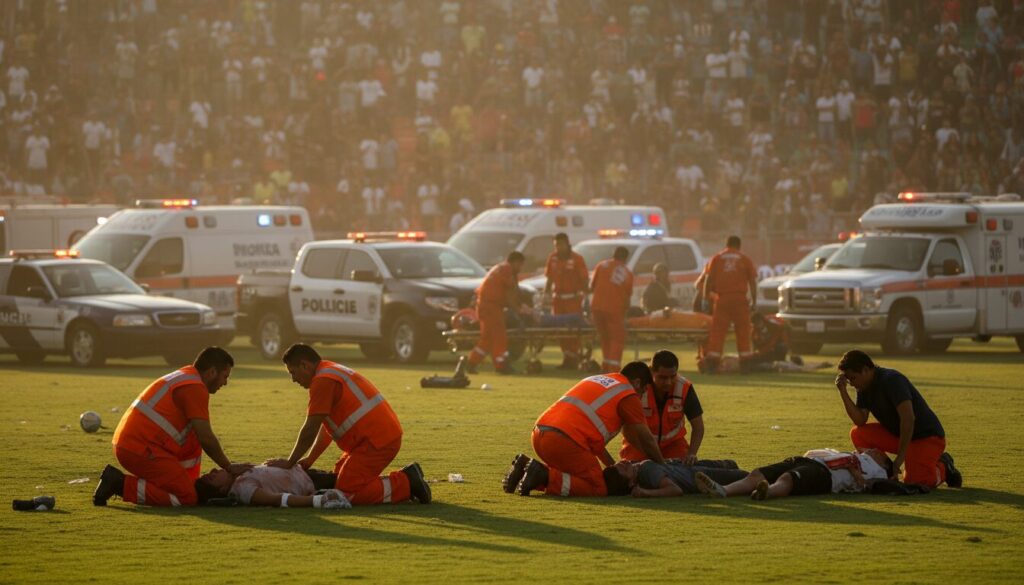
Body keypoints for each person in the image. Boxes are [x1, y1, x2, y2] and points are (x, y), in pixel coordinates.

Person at [265, 343, 432, 505]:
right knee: (339, 478)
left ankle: (407, 483)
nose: (293, 379)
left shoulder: (323, 381)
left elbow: (310, 428)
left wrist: (290, 462)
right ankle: (406, 479)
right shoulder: (328, 371)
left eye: (293, 373)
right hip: (374, 439)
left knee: (346, 492)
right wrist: (310, 459)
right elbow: (326, 427)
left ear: (304, 365)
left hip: (376, 442)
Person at [93, 347, 252, 507]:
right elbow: (206, 438)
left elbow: (196, 441)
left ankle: (120, 483)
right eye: (225, 376)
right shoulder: (195, 387)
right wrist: (228, 466)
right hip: (141, 448)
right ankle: (118, 484)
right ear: (211, 372)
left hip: (136, 444)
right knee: (187, 497)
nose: (225, 383)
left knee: (188, 486)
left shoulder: (186, 376)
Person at [502, 362, 666, 497]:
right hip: (565, 442)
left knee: (575, 477)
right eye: (643, 391)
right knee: (598, 487)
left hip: (539, 434)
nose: (641, 396)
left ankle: (525, 467)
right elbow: (647, 439)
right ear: (637, 383)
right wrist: (662, 466)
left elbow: (595, 444)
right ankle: (543, 476)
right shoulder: (628, 393)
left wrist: (612, 465)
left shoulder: (598, 379)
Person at [836, 350, 961, 488]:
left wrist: (899, 459)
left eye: (853, 378)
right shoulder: (864, 387)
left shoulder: (892, 380)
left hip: (925, 437)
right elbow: (860, 420)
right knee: (858, 434)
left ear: (866, 370)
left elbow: (908, 419)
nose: (852, 384)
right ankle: (887, 472)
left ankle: (944, 466)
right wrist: (843, 391)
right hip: (900, 436)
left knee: (915, 482)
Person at [694, 447, 893, 500]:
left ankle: (767, 492)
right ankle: (723, 491)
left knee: (788, 479)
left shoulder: (879, 472)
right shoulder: (856, 455)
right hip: (807, 461)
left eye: (879, 453)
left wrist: (855, 471)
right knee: (757, 473)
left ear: (884, 463)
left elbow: (870, 484)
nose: (874, 450)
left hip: (825, 475)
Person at [619, 350, 705, 462]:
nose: (668, 382)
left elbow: (698, 427)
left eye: (673, 376)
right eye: (662, 378)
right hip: (639, 445)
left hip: (673, 445)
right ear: (651, 371)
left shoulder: (684, 388)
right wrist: (653, 455)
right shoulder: (638, 386)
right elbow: (626, 429)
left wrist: (692, 454)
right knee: (634, 474)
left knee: (681, 473)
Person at [467, 251, 530, 374]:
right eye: (520, 265)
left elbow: (511, 292)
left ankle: (471, 362)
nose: (521, 268)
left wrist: (518, 305)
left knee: (487, 338)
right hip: (491, 307)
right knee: (499, 337)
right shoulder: (507, 270)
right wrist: (518, 310)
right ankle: (501, 365)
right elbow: (510, 294)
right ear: (516, 262)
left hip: (484, 306)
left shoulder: (500, 268)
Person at [702, 235, 757, 373]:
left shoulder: (717, 258)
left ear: (726, 245)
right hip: (740, 300)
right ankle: (745, 364)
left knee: (718, 333)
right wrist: (754, 301)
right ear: (739, 245)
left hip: (722, 299)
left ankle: (712, 364)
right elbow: (752, 282)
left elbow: (707, 280)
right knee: (743, 331)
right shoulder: (745, 258)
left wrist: (705, 299)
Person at [194, 465, 350, 509]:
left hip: (305, 472)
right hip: (311, 483)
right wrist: (318, 501)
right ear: (221, 490)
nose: (214, 470)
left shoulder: (237, 475)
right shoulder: (242, 489)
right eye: (212, 477)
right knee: (360, 484)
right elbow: (278, 500)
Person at [543, 233, 589, 369]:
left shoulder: (577, 259)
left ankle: (574, 357)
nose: (558, 248)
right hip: (558, 300)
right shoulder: (553, 258)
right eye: (556, 245)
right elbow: (549, 278)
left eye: (560, 245)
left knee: (573, 330)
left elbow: (584, 279)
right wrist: (546, 293)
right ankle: (567, 358)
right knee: (561, 330)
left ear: (567, 244)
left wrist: (586, 297)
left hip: (573, 300)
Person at [603, 458, 748, 497]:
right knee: (747, 477)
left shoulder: (638, 469)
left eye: (618, 464)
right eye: (622, 468)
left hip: (691, 465)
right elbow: (675, 490)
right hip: (698, 475)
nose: (623, 462)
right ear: (630, 483)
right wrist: (646, 493)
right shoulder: (645, 471)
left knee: (731, 464)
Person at [590, 246, 634, 371]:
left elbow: (592, 286)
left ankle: (606, 365)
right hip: (614, 310)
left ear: (613, 254)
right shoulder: (627, 273)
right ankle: (613, 367)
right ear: (626, 258)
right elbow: (627, 297)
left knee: (605, 337)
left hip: (597, 308)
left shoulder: (601, 266)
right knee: (617, 338)